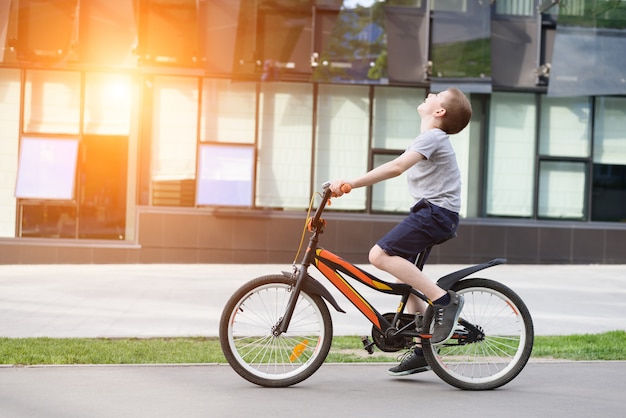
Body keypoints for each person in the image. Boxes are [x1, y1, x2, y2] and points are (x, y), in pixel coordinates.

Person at [329, 87, 472, 376]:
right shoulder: (429, 138)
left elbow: (396, 167)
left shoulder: (433, 137)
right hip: (432, 213)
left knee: (379, 254)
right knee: (400, 274)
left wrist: (350, 184)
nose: (430, 93)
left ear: (439, 111)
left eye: (437, 95)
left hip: (436, 213)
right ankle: (423, 348)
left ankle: (444, 300)